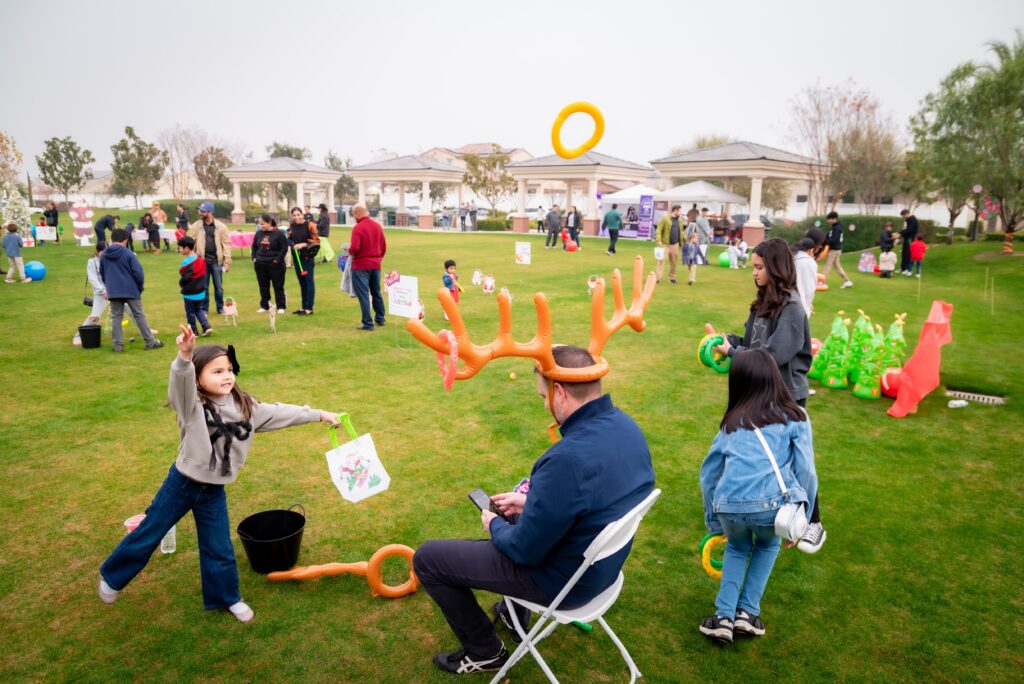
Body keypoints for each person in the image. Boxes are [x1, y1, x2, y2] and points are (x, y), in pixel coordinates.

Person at [413, 345, 655, 674]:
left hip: (563, 583)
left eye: (543, 397)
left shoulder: (565, 459)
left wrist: (493, 524)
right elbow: (599, 495)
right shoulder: (627, 429)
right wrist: (531, 503)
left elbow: (524, 550)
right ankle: (515, 618)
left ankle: (484, 651)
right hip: (602, 573)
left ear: (560, 392)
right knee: (513, 511)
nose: (545, 405)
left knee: (429, 558)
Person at [97, 328, 341, 622]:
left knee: (218, 546)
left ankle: (227, 598)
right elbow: (180, 387)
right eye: (216, 371)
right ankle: (112, 577)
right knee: (151, 531)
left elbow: (279, 413)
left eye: (228, 370)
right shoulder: (192, 406)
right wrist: (185, 357)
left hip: (213, 491)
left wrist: (318, 414)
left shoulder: (245, 406)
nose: (226, 376)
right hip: (182, 483)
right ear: (198, 378)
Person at [714, 237, 826, 554]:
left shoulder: (792, 309)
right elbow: (752, 341)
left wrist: (734, 352)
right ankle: (765, 512)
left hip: (786, 397)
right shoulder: (762, 305)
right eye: (753, 267)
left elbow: (772, 356)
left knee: (796, 461)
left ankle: (814, 522)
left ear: (775, 268)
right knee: (761, 456)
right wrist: (726, 340)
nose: (755, 273)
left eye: (760, 267)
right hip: (760, 394)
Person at [698, 348, 817, 643]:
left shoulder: (730, 424)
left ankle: (723, 617)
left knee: (737, 548)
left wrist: (714, 522)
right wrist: (803, 514)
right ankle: (747, 614)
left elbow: (708, 475)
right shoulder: (796, 417)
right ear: (775, 377)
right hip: (771, 507)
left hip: (729, 506)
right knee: (767, 546)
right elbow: (807, 471)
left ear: (738, 383)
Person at [99, 228, 163, 352]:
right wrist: (139, 287)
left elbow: (102, 273)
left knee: (116, 317)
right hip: (131, 289)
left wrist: (109, 287)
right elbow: (138, 273)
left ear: (112, 239)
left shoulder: (104, 255)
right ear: (125, 240)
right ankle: (150, 342)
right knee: (139, 315)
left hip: (114, 291)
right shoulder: (128, 253)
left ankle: (118, 346)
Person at [187, 202, 232, 315]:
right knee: (204, 288)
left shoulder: (221, 227)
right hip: (202, 262)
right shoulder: (196, 226)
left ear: (210, 212)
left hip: (217, 262)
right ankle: (204, 309)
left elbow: (226, 245)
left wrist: (227, 262)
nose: (200, 213)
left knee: (219, 287)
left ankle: (220, 308)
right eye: (200, 210)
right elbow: (190, 242)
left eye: (203, 211)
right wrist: (190, 257)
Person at [349, 203, 387, 331]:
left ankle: (367, 322)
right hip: (375, 264)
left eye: (354, 214)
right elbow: (383, 246)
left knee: (364, 294)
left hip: (360, 265)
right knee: (376, 291)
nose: (354, 216)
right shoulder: (377, 226)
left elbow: (355, 248)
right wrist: (378, 258)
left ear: (358, 213)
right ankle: (380, 317)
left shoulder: (358, 228)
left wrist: (349, 251)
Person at [251, 213, 288, 313]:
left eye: (263, 224)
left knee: (278, 285)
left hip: (275, 265)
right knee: (263, 285)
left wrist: (277, 259)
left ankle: (281, 306)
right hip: (260, 264)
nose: (260, 226)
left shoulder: (279, 234)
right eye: (260, 224)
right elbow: (254, 246)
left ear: (269, 223)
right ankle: (264, 305)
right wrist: (254, 257)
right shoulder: (258, 233)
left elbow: (284, 248)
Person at [286, 206, 320, 315]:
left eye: (298, 214)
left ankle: (309, 308)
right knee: (302, 282)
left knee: (308, 282)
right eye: (294, 215)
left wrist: (303, 244)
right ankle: (303, 307)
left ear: (302, 214)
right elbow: (289, 238)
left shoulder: (310, 225)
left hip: (307, 256)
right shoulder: (292, 226)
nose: (297, 217)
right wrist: (292, 244)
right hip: (297, 257)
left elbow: (316, 241)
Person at [74, 241, 109, 344]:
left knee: (133, 309)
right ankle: (79, 336)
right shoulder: (92, 262)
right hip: (101, 293)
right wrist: (102, 291)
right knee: (95, 317)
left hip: (115, 291)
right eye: (103, 251)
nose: (106, 253)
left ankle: (146, 331)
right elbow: (92, 278)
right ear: (97, 251)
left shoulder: (110, 260)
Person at [177, 236, 213, 336]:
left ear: (187, 248)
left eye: (180, 248)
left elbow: (185, 278)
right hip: (201, 291)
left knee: (190, 313)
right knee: (199, 310)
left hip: (189, 293)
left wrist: (180, 283)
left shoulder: (186, 262)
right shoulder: (200, 259)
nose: (179, 250)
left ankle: (193, 332)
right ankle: (206, 326)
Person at [821, 211, 853, 289]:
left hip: (834, 250)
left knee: (827, 266)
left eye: (829, 219)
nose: (828, 221)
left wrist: (825, 243)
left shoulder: (837, 228)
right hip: (836, 250)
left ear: (834, 219)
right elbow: (829, 236)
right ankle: (847, 281)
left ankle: (821, 282)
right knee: (837, 266)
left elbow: (833, 240)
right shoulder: (835, 227)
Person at [655, 205, 684, 284]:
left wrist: (685, 240)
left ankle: (672, 278)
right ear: (675, 210)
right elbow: (659, 229)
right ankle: (658, 278)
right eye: (680, 211)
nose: (680, 212)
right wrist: (658, 239)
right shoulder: (665, 218)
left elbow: (681, 232)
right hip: (665, 244)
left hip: (675, 244)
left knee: (674, 262)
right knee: (661, 261)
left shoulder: (680, 220)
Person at [792, 237, 819, 317]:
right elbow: (809, 288)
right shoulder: (810, 262)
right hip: (801, 306)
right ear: (811, 250)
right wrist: (808, 304)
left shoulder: (791, 258)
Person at [900, 209, 919, 275]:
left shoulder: (913, 219)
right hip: (906, 238)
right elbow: (906, 229)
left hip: (910, 239)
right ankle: (902, 268)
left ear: (907, 213)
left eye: (904, 216)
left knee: (908, 253)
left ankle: (908, 269)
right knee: (904, 253)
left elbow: (909, 229)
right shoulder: (908, 220)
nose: (903, 217)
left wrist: (900, 233)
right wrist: (901, 233)